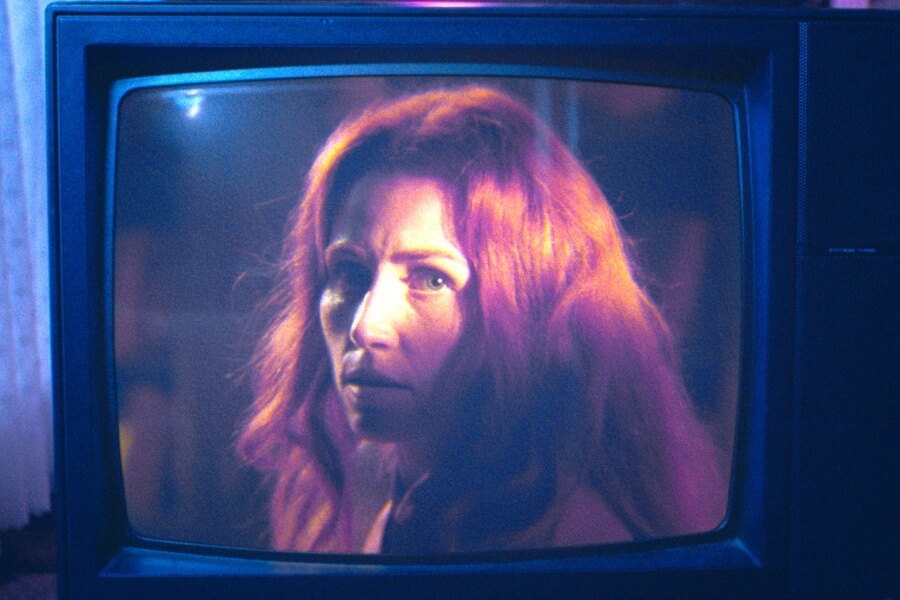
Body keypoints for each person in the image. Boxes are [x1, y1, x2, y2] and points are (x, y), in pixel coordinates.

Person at [238, 85, 727, 554]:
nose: (366, 328)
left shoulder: (578, 538)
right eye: (349, 273)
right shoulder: (396, 500)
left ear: (528, 308)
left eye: (432, 279)